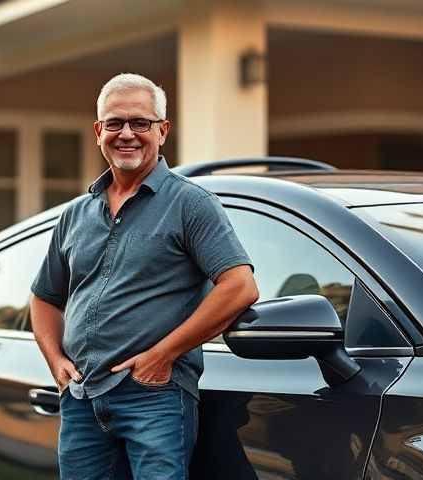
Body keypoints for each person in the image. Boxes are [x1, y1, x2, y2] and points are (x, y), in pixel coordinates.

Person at [29, 72, 259, 480]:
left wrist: (162, 354)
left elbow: (239, 286)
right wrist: (56, 361)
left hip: (154, 397)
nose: (127, 134)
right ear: (99, 131)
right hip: (82, 398)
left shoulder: (190, 204)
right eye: (115, 123)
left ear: (163, 131)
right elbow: (45, 296)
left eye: (141, 123)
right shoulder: (75, 214)